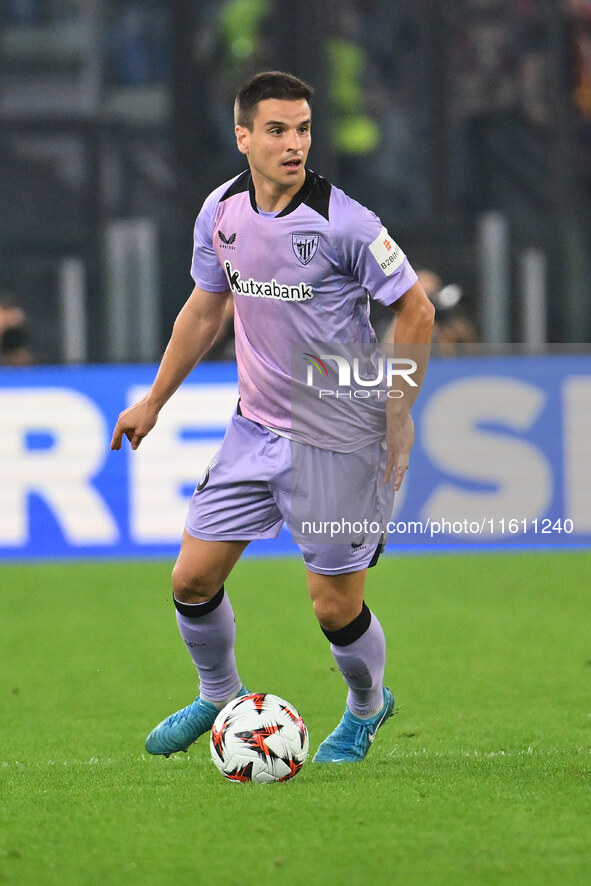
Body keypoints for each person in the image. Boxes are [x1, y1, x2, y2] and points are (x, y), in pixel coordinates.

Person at [111, 71, 434, 764]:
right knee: (190, 581)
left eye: (304, 129)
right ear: (243, 136)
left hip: (338, 437)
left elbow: (416, 308)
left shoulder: (346, 223)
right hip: (252, 429)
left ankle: (367, 707)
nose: (295, 144)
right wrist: (154, 401)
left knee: (332, 607)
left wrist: (399, 410)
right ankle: (217, 694)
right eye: (278, 130)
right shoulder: (220, 212)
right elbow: (205, 308)